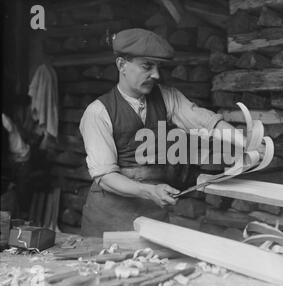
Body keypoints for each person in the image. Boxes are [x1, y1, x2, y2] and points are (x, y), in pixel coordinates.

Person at [79, 28, 245, 237]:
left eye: (158, 67)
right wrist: (149, 191)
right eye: (147, 66)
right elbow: (106, 176)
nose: (156, 75)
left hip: (152, 216)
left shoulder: (168, 97)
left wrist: (245, 142)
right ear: (122, 65)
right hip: (109, 219)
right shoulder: (98, 112)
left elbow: (206, 122)